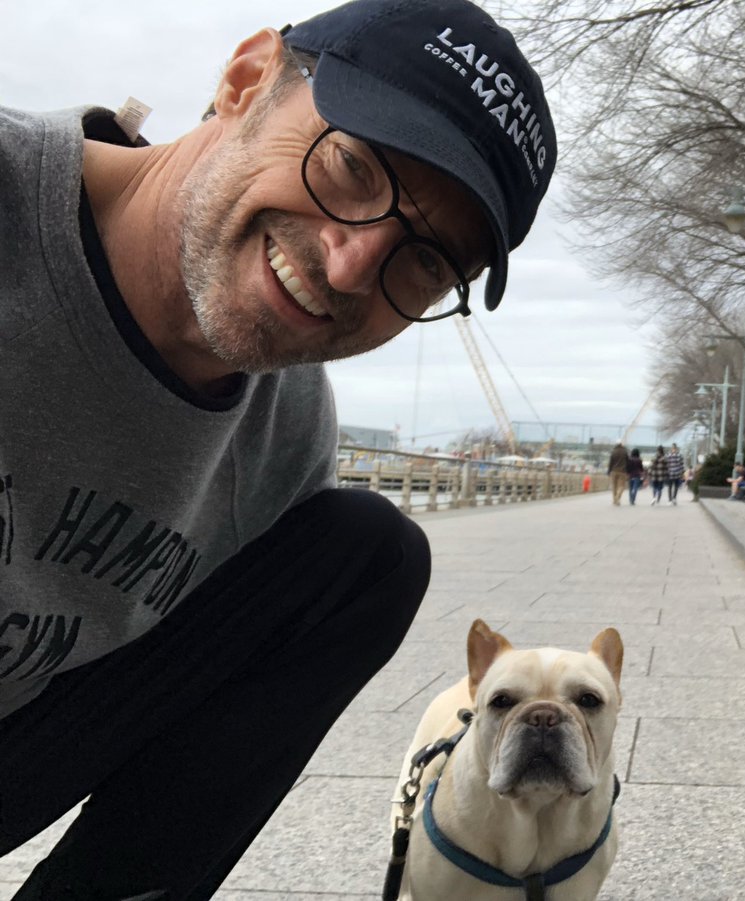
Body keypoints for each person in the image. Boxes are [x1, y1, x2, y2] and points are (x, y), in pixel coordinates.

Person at [0, 1, 556, 897]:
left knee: (368, 555)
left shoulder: (286, 435)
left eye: (425, 260)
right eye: (352, 165)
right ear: (245, 80)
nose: (350, 267)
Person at [608, 441, 629, 505]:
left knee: (614, 486)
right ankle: (617, 497)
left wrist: (609, 470)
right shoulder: (625, 451)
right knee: (621, 486)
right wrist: (627, 470)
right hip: (622, 471)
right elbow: (627, 461)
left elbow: (611, 462)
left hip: (614, 471)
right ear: (621, 444)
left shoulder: (613, 451)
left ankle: (615, 500)